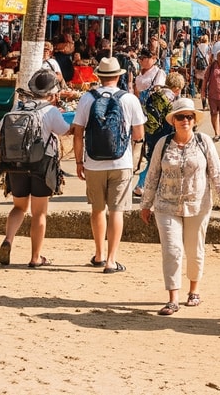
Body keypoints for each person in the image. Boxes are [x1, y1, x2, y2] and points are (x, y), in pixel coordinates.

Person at [139, 100, 220, 316]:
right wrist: (146, 203)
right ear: (173, 121)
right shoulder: (163, 144)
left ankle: (194, 290)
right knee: (172, 250)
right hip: (165, 204)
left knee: (194, 249)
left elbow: (216, 170)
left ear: (194, 120)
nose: (185, 121)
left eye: (189, 117)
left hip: (197, 204)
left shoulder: (203, 141)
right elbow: (152, 175)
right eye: (180, 117)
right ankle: (173, 298)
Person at [72, 56, 145, 274]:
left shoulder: (87, 98)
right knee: (116, 211)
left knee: (97, 209)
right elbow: (139, 135)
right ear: (119, 76)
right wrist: (132, 159)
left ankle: (99, 253)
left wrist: (78, 161)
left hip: (93, 163)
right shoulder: (129, 99)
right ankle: (112, 260)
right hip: (121, 162)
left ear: (99, 76)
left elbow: (77, 133)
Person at [0, 67, 72, 267]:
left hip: (15, 165)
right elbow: (65, 131)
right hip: (42, 166)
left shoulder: (17, 108)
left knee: (19, 207)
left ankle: (8, 239)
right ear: (52, 92)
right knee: (39, 213)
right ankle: (35, 257)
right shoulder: (51, 111)